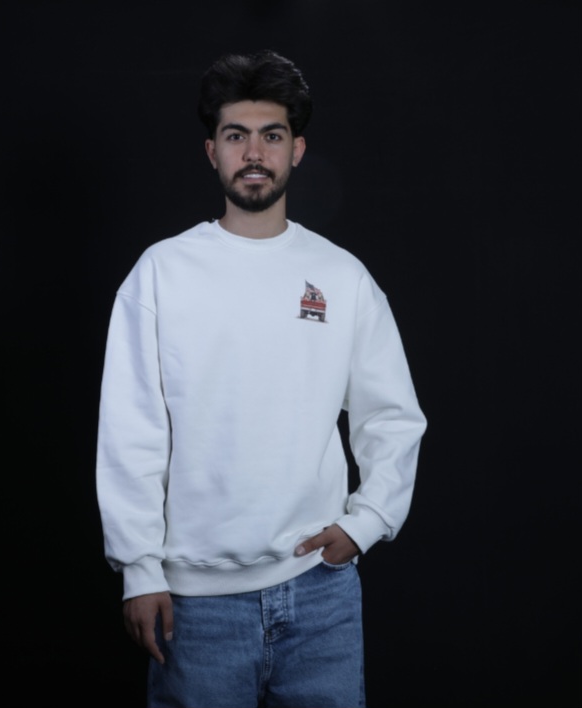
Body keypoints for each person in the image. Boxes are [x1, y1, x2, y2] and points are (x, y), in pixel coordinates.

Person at [96, 50, 427, 708]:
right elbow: (131, 432)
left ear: (296, 150)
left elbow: (392, 416)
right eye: (236, 135)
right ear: (212, 152)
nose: (254, 153)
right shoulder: (162, 274)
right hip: (196, 607)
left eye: (272, 136)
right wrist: (140, 569)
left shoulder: (341, 277)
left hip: (321, 595)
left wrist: (368, 520)